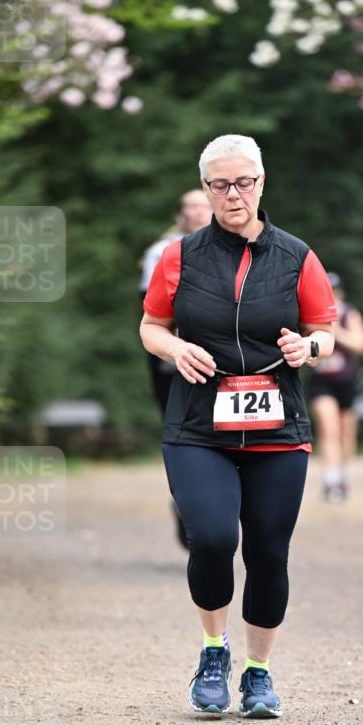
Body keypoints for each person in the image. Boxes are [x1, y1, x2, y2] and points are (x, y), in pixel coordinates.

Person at [140, 134, 337, 717]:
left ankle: (258, 674)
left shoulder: (297, 256)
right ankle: (212, 651)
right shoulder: (179, 257)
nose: (233, 194)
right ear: (205, 189)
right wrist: (174, 348)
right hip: (198, 425)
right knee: (213, 537)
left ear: (261, 183)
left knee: (269, 551)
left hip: (278, 429)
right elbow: (150, 325)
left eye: (243, 182)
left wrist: (310, 347)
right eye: (220, 184)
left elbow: (325, 326)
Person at [139, 190, 212, 548]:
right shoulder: (162, 252)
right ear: (181, 214)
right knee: (182, 432)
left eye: (203, 206)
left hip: (220, 358)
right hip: (172, 360)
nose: (198, 212)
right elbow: (150, 311)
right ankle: (185, 503)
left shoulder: (233, 245)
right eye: (192, 207)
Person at [307, 272, 363, 502]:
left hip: (346, 382)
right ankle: (331, 481)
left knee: (346, 433)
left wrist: (335, 332)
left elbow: (362, 344)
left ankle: (343, 476)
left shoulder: (349, 314)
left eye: (335, 292)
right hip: (322, 382)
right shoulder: (313, 314)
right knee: (328, 427)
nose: (332, 296)